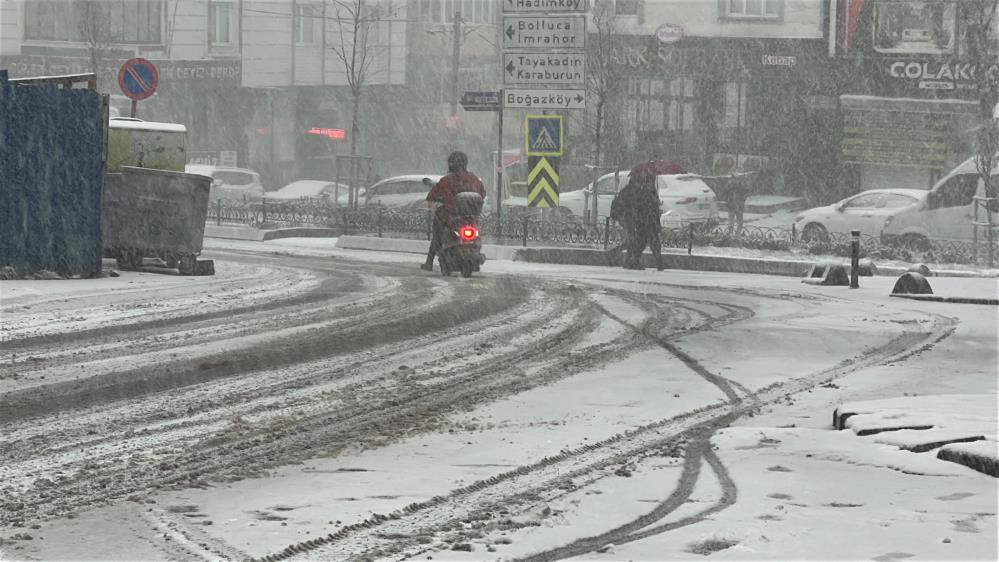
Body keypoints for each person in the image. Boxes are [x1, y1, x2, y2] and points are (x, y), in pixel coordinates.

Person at [421, 151, 486, 271]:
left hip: (449, 217)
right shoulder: (474, 179)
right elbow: (482, 193)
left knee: (437, 234)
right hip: (471, 218)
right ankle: (475, 252)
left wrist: (440, 198)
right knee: (477, 233)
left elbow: (432, 196)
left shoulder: (447, 181)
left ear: (451, 164)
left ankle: (429, 262)